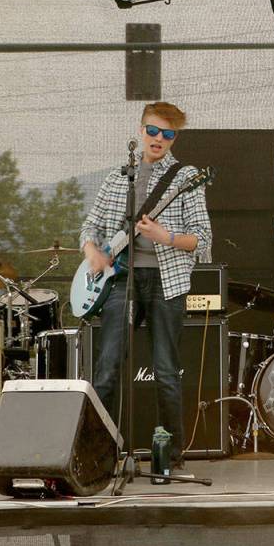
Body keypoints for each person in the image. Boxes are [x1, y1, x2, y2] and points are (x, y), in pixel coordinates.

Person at [80, 102, 212, 468]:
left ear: (175, 139)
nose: (158, 139)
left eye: (167, 134)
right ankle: (99, 451)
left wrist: (164, 235)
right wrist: (94, 252)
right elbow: (89, 227)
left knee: (166, 371)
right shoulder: (117, 176)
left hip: (165, 281)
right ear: (141, 131)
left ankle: (170, 455)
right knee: (106, 366)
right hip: (122, 277)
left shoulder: (186, 177)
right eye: (153, 131)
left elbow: (202, 238)